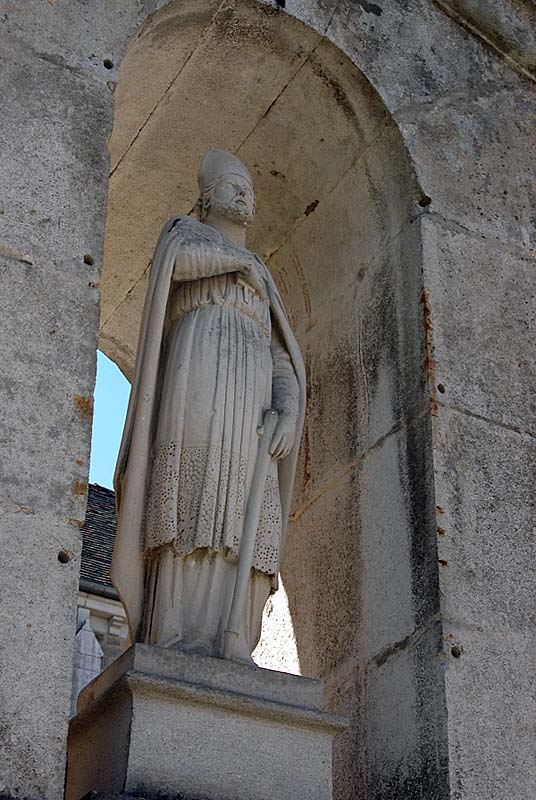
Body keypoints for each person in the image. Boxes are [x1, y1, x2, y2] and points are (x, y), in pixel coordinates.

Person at [111, 148, 305, 664]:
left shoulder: (264, 278)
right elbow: (177, 265)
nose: (244, 196)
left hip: (253, 400)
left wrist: (288, 407)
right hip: (196, 379)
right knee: (192, 494)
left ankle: (231, 635)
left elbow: (281, 353)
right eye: (232, 187)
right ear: (205, 197)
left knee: (241, 505)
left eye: (249, 190)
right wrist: (241, 261)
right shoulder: (184, 235)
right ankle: (171, 627)